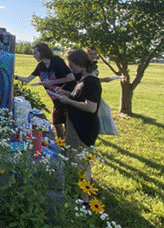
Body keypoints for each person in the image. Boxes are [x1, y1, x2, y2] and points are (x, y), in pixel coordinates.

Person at [46, 49, 101, 202]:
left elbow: (91, 107)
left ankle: (83, 200)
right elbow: (78, 97)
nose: (70, 68)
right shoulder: (83, 78)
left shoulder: (90, 81)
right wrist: (65, 94)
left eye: (72, 65)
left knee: (81, 164)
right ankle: (75, 193)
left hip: (83, 128)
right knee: (76, 162)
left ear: (80, 64)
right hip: (76, 125)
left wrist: (68, 101)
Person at [15, 42, 76, 139]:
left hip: (66, 97)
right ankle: (62, 144)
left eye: (35, 53)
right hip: (55, 99)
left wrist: (51, 82)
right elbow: (28, 79)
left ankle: (68, 146)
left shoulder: (56, 60)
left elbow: (71, 77)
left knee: (68, 124)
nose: (33, 55)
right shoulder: (40, 66)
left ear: (42, 52)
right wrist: (15, 76)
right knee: (57, 123)